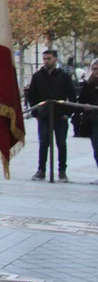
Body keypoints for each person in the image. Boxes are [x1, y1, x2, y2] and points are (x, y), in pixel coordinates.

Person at [25, 49, 76, 181]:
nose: (46, 61)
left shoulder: (64, 76)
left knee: (61, 144)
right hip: (44, 116)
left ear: (55, 59)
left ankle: (62, 171)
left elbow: (72, 96)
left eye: (49, 58)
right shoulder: (37, 76)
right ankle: (41, 170)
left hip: (60, 117)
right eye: (45, 59)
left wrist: (68, 114)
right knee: (43, 143)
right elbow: (31, 95)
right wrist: (36, 112)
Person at [78, 60, 98, 184]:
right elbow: (81, 100)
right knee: (96, 148)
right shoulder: (88, 84)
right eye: (94, 69)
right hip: (93, 121)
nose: (96, 71)